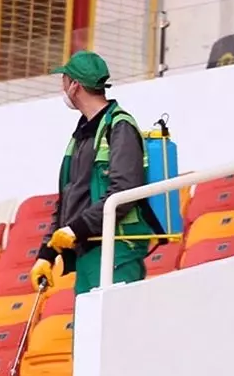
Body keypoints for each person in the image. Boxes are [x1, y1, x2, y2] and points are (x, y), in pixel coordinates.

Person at [32, 50, 160, 295]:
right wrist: (46, 254)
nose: (62, 86)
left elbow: (123, 192)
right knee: (88, 333)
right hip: (89, 252)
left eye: (64, 80)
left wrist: (75, 229)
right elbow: (70, 198)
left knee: (115, 332)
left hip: (117, 252)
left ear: (75, 86)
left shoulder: (119, 126)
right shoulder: (83, 134)